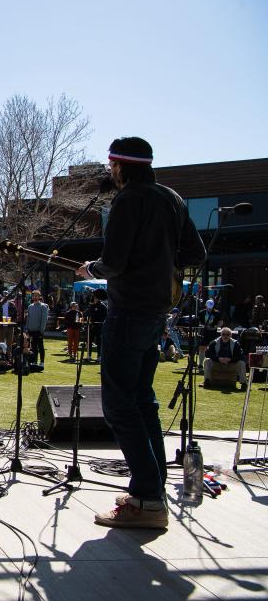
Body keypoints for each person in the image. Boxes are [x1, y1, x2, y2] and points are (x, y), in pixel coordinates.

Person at [76, 137, 205, 529]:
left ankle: (148, 500)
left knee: (118, 405)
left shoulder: (128, 200)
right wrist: (159, 263)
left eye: (111, 166)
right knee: (142, 400)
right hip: (155, 312)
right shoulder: (171, 197)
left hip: (129, 310)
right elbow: (195, 253)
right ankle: (151, 490)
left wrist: (91, 270)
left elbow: (113, 262)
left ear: (120, 166)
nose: (109, 172)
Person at [25, 290, 49, 369]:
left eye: (36, 296)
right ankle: (34, 361)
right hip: (31, 330)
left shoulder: (43, 307)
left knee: (40, 347)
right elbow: (28, 319)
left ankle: (42, 362)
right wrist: (27, 329)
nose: (35, 297)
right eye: (34, 296)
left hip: (39, 331)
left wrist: (41, 331)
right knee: (33, 347)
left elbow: (44, 320)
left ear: (39, 297)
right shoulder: (30, 306)